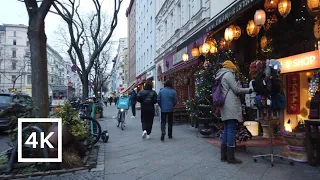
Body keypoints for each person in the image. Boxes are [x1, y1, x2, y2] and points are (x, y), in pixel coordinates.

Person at [215, 60, 253, 164]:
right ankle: (231, 157)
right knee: (230, 129)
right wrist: (249, 90)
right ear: (231, 67)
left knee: (227, 129)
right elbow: (236, 90)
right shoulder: (228, 74)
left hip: (224, 105)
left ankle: (224, 155)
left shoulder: (221, 75)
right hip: (230, 105)